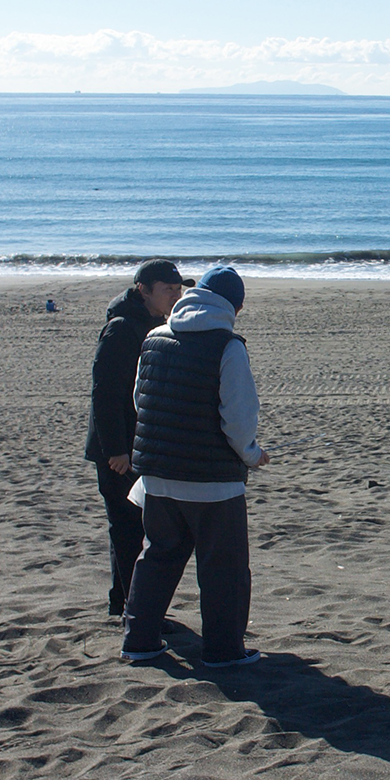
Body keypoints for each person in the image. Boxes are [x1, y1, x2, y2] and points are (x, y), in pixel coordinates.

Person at [121, 265, 270, 667]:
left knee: (157, 559)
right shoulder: (228, 346)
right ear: (235, 308)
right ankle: (223, 651)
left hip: (157, 475)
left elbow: (141, 401)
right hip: (212, 482)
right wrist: (252, 454)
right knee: (224, 569)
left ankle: (139, 640)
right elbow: (238, 417)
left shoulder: (155, 337)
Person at [85, 260, 189, 618]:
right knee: (129, 529)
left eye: (178, 290)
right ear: (143, 290)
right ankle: (134, 609)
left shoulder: (156, 323)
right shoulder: (121, 328)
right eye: (168, 289)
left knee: (136, 528)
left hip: (140, 445)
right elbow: (104, 394)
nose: (175, 296)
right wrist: (115, 450)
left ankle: (126, 604)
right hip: (118, 450)